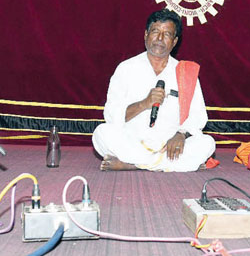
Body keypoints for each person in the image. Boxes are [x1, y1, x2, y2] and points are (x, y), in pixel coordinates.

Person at [92, 9, 215, 171]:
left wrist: (181, 134)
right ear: (145, 35)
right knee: (101, 133)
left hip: (169, 146)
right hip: (132, 142)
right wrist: (145, 103)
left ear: (175, 41)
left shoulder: (185, 72)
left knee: (207, 143)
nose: (159, 38)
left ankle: (135, 165)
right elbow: (111, 115)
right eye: (155, 31)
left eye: (167, 34)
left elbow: (198, 116)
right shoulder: (126, 68)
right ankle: (160, 164)